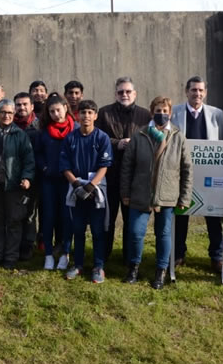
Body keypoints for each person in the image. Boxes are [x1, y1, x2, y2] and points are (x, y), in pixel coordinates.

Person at [120, 96, 192, 290]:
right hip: (140, 194)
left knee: (164, 234)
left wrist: (184, 197)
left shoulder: (178, 136)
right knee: (135, 232)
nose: (161, 114)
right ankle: (133, 268)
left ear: (171, 113)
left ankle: (161, 271)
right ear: (151, 113)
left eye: (165, 111)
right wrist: (125, 193)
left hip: (167, 195)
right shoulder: (140, 134)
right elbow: (127, 166)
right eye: (158, 111)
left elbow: (186, 169)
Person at [170, 76, 223, 272]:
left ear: (205, 93)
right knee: (181, 214)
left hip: (209, 174)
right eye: (194, 90)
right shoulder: (174, 112)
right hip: (181, 173)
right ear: (187, 92)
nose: (197, 94)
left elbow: (221, 143)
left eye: (201, 90)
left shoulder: (216, 114)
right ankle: (178, 254)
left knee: (213, 215)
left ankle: (217, 256)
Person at [95, 76, 151, 264]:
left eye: (128, 91)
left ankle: (129, 257)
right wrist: (117, 143)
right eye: (121, 92)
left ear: (134, 94)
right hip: (110, 175)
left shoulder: (145, 115)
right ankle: (103, 255)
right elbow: (97, 139)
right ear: (115, 94)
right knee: (107, 220)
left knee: (131, 220)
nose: (124, 95)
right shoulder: (103, 113)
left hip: (135, 178)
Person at [60, 99, 113, 283]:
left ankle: (98, 266)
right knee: (78, 229)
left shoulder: (102, 138)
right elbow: (65, 166)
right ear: (78, 115)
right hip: (76, 190)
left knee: (98, 230)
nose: (86, 116)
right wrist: (76, 186)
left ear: (95, 116)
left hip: (96, 189)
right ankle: (78, 264)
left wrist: (91, 186)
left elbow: (104, 166)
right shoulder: (70, 138)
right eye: (83, 113)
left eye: (90, 112)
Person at [0, 99, 36, 268]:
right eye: (3, 112)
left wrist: (27, 177)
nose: (6, 116)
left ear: (14, 114)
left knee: (14, 222)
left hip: (13, 185)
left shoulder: (20, 135)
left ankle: (11, 258)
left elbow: (28, 159)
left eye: (9, 113)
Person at [36, 93, 78, 270]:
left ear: (65, 108)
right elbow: (37, 153)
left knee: (67, 217)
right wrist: (45, 168)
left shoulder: (75, 129)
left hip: (69, 181)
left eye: (58, 110)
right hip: (49, 182)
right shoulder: (44, 131)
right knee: (49, 217)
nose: (56, 114)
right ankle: (48, 255)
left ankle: (65, 252)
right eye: (52, 111)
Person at [13, 91, 40, 260]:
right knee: (15, 213)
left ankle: (28, 246)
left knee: (30, 213)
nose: (21, 107)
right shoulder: (10, 125)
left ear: (32, 106)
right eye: (18, 105)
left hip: (33, 178)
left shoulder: (39, 126)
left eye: (25, 104)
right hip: (13, 177)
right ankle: (15, 246)